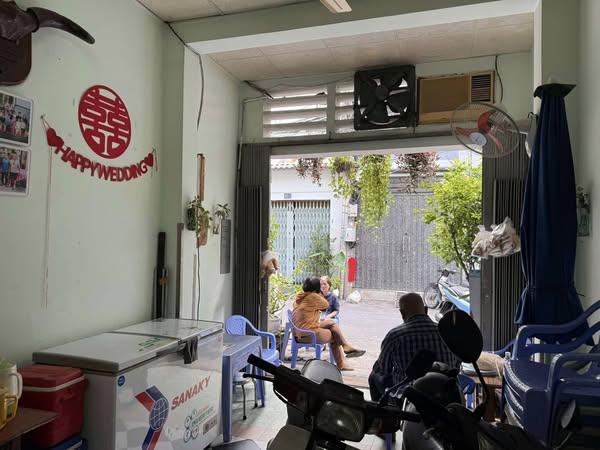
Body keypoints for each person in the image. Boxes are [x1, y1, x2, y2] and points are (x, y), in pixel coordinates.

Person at [369, 292, 461, 402]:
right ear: (426, 310)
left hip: (407, 399)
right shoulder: (447, 333)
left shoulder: (395, 336)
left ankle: (382, 411)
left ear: (402, 313)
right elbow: (456, 366)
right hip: (446, 398)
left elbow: (383, 370)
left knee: (374, 375)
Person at [292, 277, 365, 370]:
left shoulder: (301, 296)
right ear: (316, 288)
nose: (322, 287)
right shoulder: (313, 296)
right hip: (308, 334)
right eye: (320, 286)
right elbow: (325, 305)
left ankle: (345, 346)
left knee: (331, 323)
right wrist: (320, 293)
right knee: (335, 335)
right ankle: (341, 362)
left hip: (300, 331)